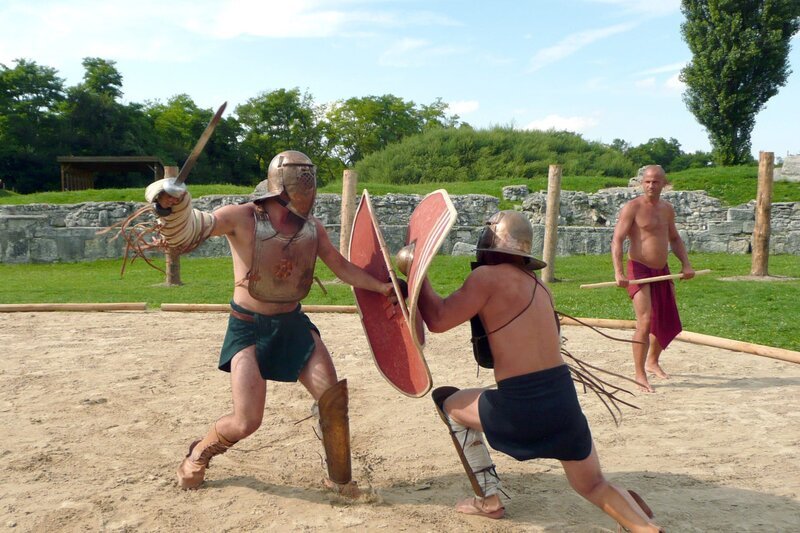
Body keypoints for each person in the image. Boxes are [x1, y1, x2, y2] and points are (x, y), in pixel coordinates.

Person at [144, 150, 394, 496]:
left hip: (293, 326)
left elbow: (341, 266)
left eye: (309, 179)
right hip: (249, 327)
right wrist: (171, 205)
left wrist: (382, 287)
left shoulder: (312, 228)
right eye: (300, 179)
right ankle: (199, 452)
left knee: (333, 401)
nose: (306, 187)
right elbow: (194, 228)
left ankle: (340, 480)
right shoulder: (241, 217)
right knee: (246, 421)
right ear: (281, 185)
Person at [415, 210, 662, 532]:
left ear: (490, 241)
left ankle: (488, 500)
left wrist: (417, 275)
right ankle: (643, 526)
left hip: (521, 407)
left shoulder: (486, 278)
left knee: (448, 401)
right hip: (564, 403)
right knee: (592, 484)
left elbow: (438, 319)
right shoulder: (540, 287)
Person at [612, 165, 695, 392]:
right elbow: (617, 239)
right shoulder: (632, 207)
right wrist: (618, 272)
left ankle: (652, 361)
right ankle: (639, 374)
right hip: (639, 269)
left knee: (665, 316)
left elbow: (674, 239)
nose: (651, 185)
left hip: (662, 269)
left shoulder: (667, 209)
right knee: (645, 320)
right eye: (647, 181)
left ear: (664, 184)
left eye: (656, 182)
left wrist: (686, 264)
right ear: (642, 183)